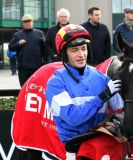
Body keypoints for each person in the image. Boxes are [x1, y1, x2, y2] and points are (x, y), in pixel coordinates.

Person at [45, 24, 123, 159]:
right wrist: (103, 96)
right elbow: (73, 118)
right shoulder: (55, 82)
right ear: (64, 53)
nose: (81, 55)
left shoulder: (101, 77)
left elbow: (121, 110)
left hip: (100, 143)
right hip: (75, 147)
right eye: (74, 50)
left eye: (83, 48)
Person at [8, 14, 47, 87]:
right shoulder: (17, 34)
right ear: (23, 23)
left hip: (37, 67)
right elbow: (11, 47)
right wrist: (18, 44)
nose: (28, 23)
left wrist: (44, 63)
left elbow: (45, 49)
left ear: (33, 22)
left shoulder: (39, 33)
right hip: (23, 68)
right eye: (25, 22)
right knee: (24, 88)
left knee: (37, 88)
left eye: (29, 21)